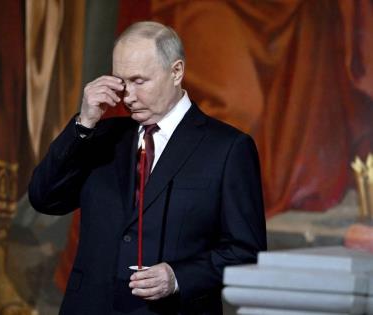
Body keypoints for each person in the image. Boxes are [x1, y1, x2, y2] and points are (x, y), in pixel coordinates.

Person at [29, 21, 266, 315]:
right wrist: (83, 125)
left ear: (176, 71)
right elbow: (43, 197)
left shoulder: (228, 148)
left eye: (139, 81)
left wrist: (178, 277)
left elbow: (246, 252)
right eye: (121, 82)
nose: (128, 96)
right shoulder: (100, 136)